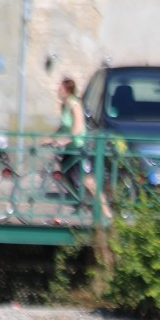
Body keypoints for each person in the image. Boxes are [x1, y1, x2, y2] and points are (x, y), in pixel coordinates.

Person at [43, 78, 110, 219]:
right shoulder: (64, 105)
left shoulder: (75, 104)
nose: (58, 91)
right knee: (66, 177)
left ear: (67, 90)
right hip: (70, 148)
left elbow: (77, 128)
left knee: (88, 180)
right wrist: (51, 138)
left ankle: (106, 212)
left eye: (60, 88)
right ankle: (80, 206)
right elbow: (63, 127)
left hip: (79, 147)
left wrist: (63, 140)